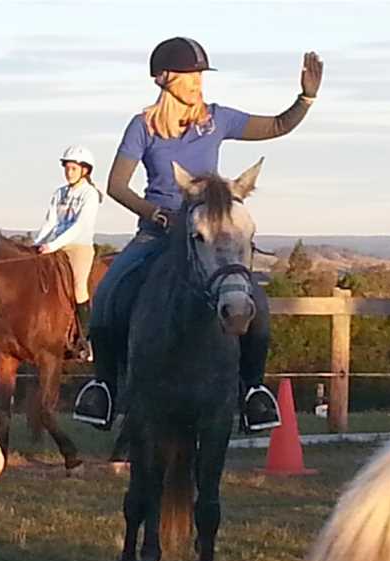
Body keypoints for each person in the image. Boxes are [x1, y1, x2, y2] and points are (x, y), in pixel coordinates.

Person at [72, 38, 324, 432]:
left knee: (253, 299)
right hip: (157, 233)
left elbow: (276, 125)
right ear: (165, 79)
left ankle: (252, 390)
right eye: (191, 76)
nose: (198, 83)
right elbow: (117, 186)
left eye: (200, 76)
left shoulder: (218, 119)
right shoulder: (142, 127)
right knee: (109, 293)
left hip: (207, 232)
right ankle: (104, 386)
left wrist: (305, 99)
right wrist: (155, 214)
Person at [33, 145, 102, 359]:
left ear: (84, 170)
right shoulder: (59, 193)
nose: (68, 172)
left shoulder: (89, 194)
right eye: (67, 168)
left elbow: (79, 227)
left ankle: (87, 341)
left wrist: (52, 246)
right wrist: (37, 244)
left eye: (73, 168)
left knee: (79, 288)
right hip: (55, 245)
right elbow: (51, 222)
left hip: (78, 247)